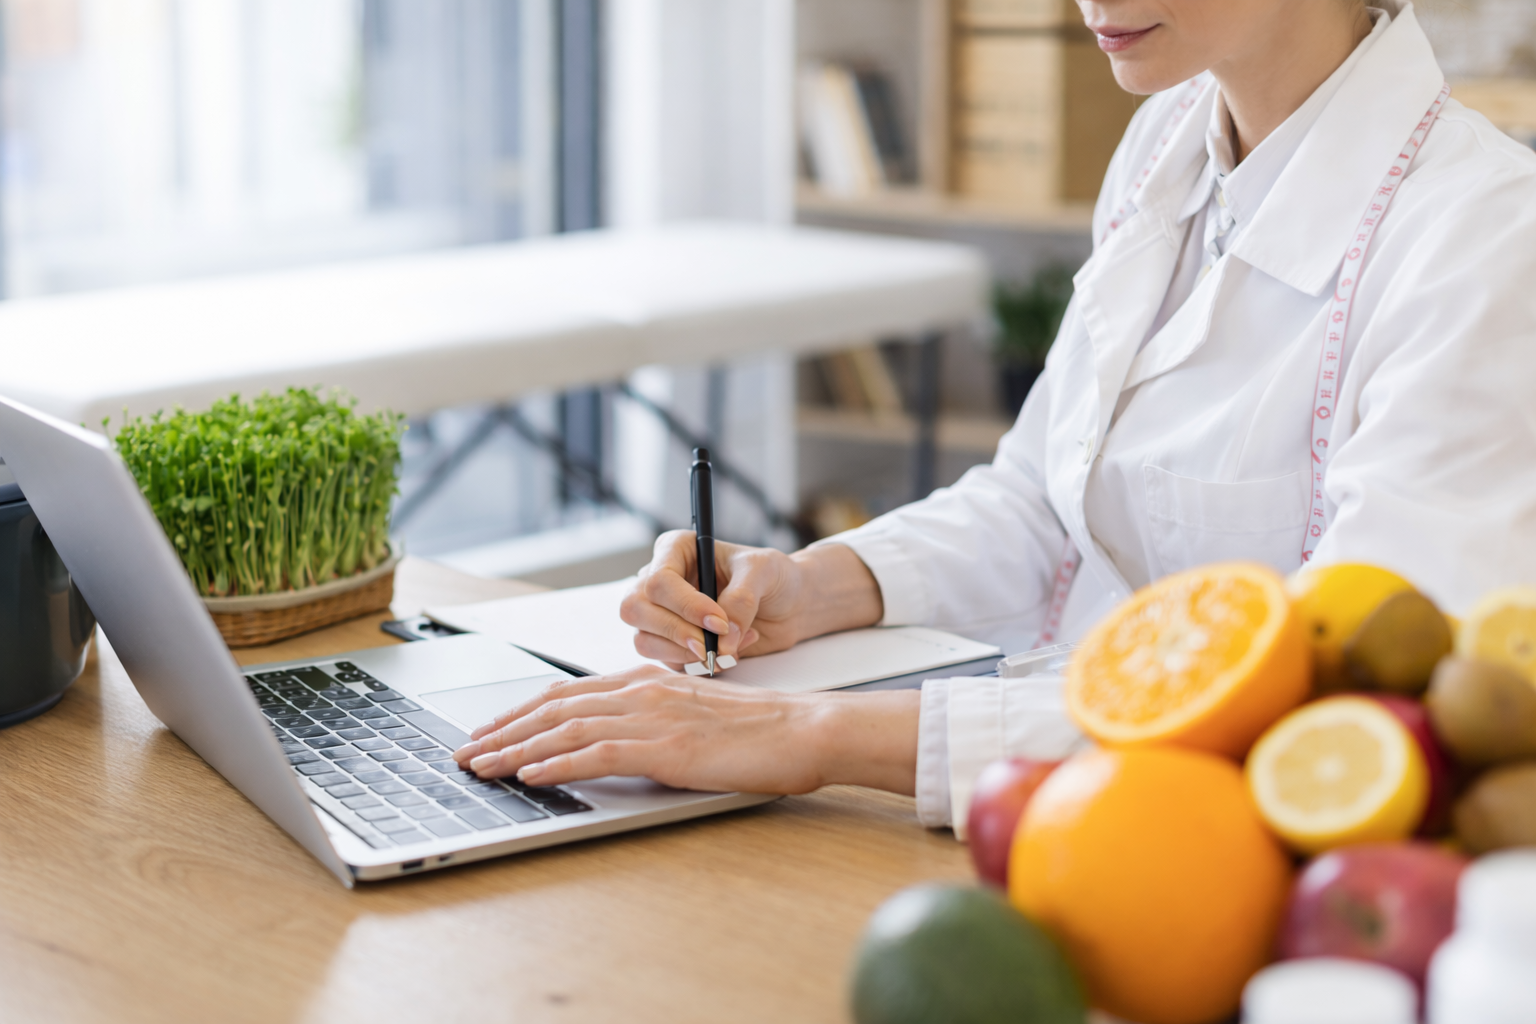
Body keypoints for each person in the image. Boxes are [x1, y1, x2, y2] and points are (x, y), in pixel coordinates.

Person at [454, 0, 1536, 831]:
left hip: (1219, 866)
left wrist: (804, 730)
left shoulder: (1485, 242)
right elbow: (1039, 499)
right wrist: (813, 586)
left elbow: (1335, 701)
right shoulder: (1167, 146)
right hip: (1046, 803)